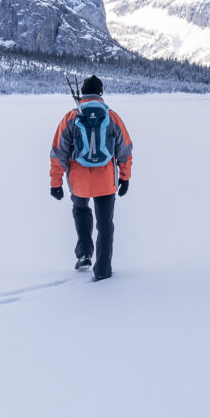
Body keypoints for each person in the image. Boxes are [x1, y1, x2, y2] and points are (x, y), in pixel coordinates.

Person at [49, 75, 133, 281]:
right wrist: (125, 177)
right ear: (101, 93)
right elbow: (125, 150)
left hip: (78, 181)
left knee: (80, 209)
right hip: (106, 181)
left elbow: (58, 151)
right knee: (105, 224)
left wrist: (56, 183)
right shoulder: (112, 117)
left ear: (84, 93)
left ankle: (85, 253)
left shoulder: (71, 117)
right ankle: (103, 269)